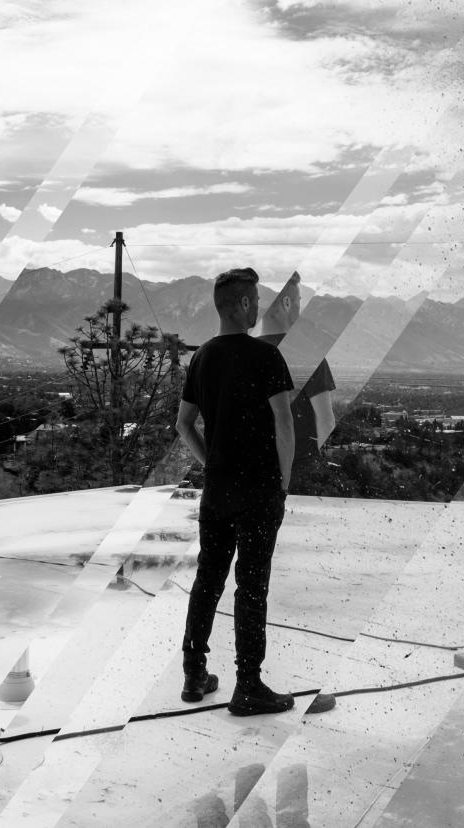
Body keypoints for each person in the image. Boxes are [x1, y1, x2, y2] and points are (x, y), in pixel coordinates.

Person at [175, 267, 297, 716]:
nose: (260, 307)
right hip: (258, 491)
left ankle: (194, 673)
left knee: (208, 578)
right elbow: (284, 424)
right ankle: (248, 685)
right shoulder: (265, 357)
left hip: (218, 492)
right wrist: (283, 484)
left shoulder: (202, 357)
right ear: (244, 304)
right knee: (251, 586)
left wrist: (213, 464)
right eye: (257, 300)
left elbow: (183, 425)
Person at [257, 271, 336, 491]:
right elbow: (327, 421)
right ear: (286, 302)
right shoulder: (307, 355)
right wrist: (304, 460)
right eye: (300, 301)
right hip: (298, 472)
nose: (300, 309)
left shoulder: (241, 353)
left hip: (251, 469)